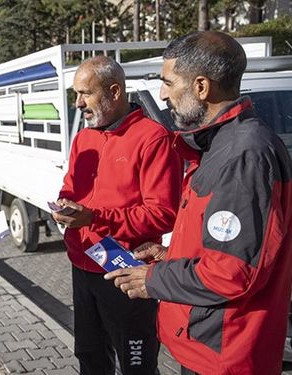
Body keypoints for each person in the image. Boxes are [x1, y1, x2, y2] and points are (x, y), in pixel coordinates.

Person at [105, 31, 292, 375]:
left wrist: (154, 278)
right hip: (208, 346)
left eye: (168, 82)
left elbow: (234, 271)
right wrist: (170, 256)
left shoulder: (243, 154)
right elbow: (225, 245)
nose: (162, 94)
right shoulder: (220, 145)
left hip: (226, 354)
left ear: (202, 87)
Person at [51, 55, 183, 375]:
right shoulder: (84, 138)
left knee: (136, 363)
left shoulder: (152, 138)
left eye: (85, 93)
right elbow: (70, 189)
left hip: (126, 273)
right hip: (82, 267)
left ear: (114, 92)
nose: (78, 103)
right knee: (90, 357)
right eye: (76, 94)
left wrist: (94, 218)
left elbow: (163, 214)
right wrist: (64, 208)